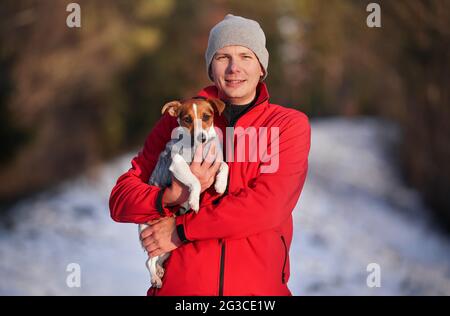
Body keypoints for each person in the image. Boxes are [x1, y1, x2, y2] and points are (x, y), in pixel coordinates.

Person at [109, 14, 311, 296]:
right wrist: (170, 196)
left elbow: (267, 207)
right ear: (210, 68)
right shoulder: (178, 122)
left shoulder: (285, 125)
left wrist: (180, 230)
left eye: (245, 56)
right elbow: (121, 201)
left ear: (262, 67)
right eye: (222, 57)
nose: (233, 68)